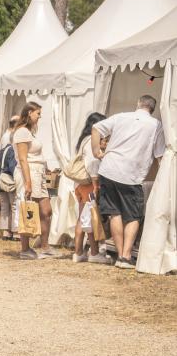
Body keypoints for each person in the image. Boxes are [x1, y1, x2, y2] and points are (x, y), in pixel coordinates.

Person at [92, 95, 165, 269]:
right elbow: (160, 155)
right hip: (131, 175)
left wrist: (96, 151)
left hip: (109, 169)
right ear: (152, 109)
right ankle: (125, 257)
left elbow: (96, 127)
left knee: (115, 213)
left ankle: (120, 256)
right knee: (133, 216)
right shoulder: (156, 125)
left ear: (138, 104)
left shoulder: (121, 116)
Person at [12, 102, 54, 260]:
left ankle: (44, 246)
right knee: (28, 210)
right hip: (28, 173)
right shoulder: (22, 132)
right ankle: (25, 248)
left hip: (38, 173)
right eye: (38, 113)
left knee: (46, 210)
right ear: (29, 113)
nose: (39, 117)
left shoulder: (29, 132)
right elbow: (23, 159)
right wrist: (28, 182)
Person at [71, 113, 109, 264]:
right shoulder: (91, 141)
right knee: (90, 218)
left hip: (80, 185)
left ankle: (78, 252)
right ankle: (93, 252)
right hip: (89, 185)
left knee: (82, 218)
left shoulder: (83, 140)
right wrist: (95, 186)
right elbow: (93, 164)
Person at [0, 115, 20, 240]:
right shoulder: (12, 151)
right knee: (14, 205)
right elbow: (13, 168)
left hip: (1, 181)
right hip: (10, 181)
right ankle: (15, 231)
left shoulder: (2, 151)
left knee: (5, 206)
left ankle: (6, 231)